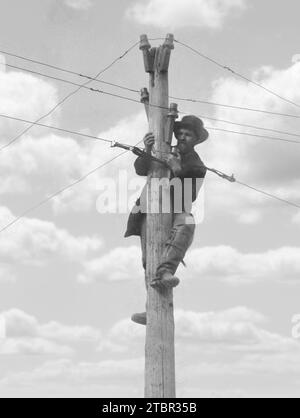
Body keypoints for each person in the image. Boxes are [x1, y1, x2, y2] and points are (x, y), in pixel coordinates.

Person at [124, 115, 209, 325]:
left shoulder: (197, 166)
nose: (182, 137)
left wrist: (177, 169)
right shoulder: (165, 150)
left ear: (196, 140)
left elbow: (189, 194)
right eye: (180, 133)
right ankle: (151, 307)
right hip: (149, 209)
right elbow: (141, 168)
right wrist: (148, 150)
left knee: (187, 223)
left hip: (176, 208)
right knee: (148, 259)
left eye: (188, 134)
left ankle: (165, 272)